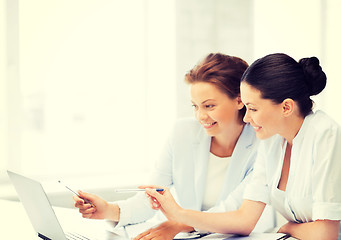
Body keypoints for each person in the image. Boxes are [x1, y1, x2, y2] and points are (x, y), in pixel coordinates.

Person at [73, 53, 275, 239]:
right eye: (195, 106)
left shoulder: (263, 144)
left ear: (239, 101)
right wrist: (107, 209)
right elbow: (153, 197)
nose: (200, 116)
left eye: (209, 106)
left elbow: (234, 211)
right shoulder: (182, 133)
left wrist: (180, 223)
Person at [142, 53, 341, 240]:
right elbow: (244, 219)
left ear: (286, 107)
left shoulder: (325, 134)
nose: (246, 117)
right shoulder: (271, 140)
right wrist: (179, 215)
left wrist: (288, 228)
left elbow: (326, 233)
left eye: (253, 108)